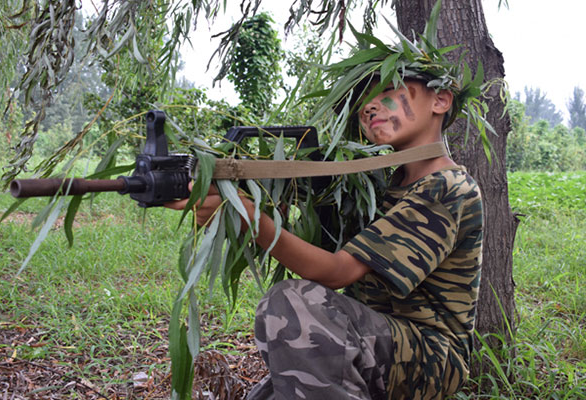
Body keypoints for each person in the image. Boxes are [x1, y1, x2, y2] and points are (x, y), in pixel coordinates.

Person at [166, 19, 486, 399]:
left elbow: (337, 272)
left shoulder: (447, 187)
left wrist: (250, 218)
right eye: (362, 103)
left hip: (431, 356)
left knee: (291, 303)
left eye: (388, 88)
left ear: (441, 99)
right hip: (379, 337)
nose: (370, 107)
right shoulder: (384, 185)